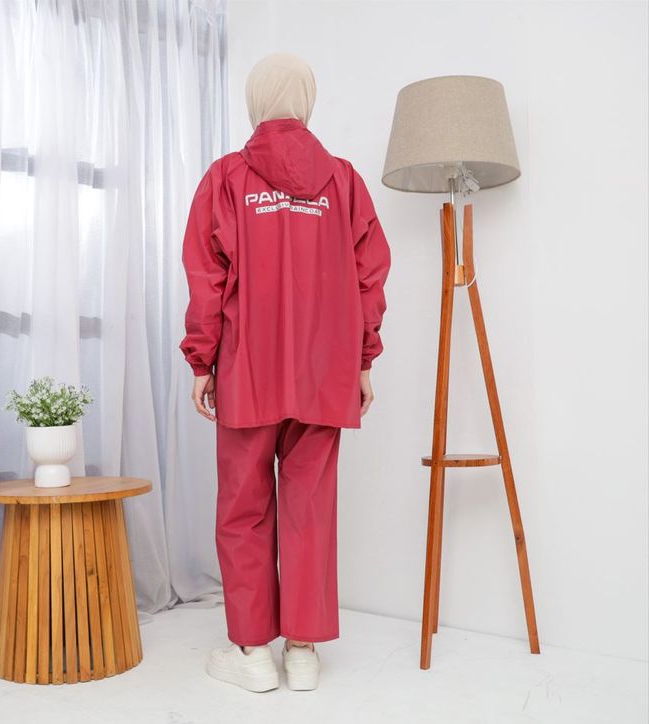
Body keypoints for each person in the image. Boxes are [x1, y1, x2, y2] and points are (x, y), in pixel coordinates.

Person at [179, 53, 391, 692]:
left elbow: (206, 276)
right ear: (306, 101)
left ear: (255, 100)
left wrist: (203, 359)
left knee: (243, 507)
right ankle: (302, 651)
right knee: (310, 508)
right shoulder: (343, 182)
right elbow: (371, 277)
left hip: (247, 369)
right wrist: (361, 359)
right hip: (325, 372)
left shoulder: (226, 178)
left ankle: (251, 653)